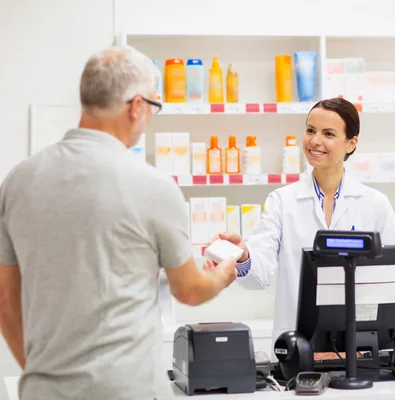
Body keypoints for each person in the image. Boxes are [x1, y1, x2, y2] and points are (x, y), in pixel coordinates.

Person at [0, 46, 237, 400]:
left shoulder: (18, 181)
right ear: (136, 107)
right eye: (154, 106)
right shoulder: (154, 187)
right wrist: (223, 273)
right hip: (126, 390)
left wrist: (41, 372)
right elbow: (189, 289)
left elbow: (6, 300)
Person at [207, 97, 395, 347]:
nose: (315, 141)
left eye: (328, 133)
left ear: (351, 143)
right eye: (310, 130)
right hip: (298, 345)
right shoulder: (282, 201)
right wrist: (244, 255)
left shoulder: (375, 204)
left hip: (359, 341)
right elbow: (259, 276)